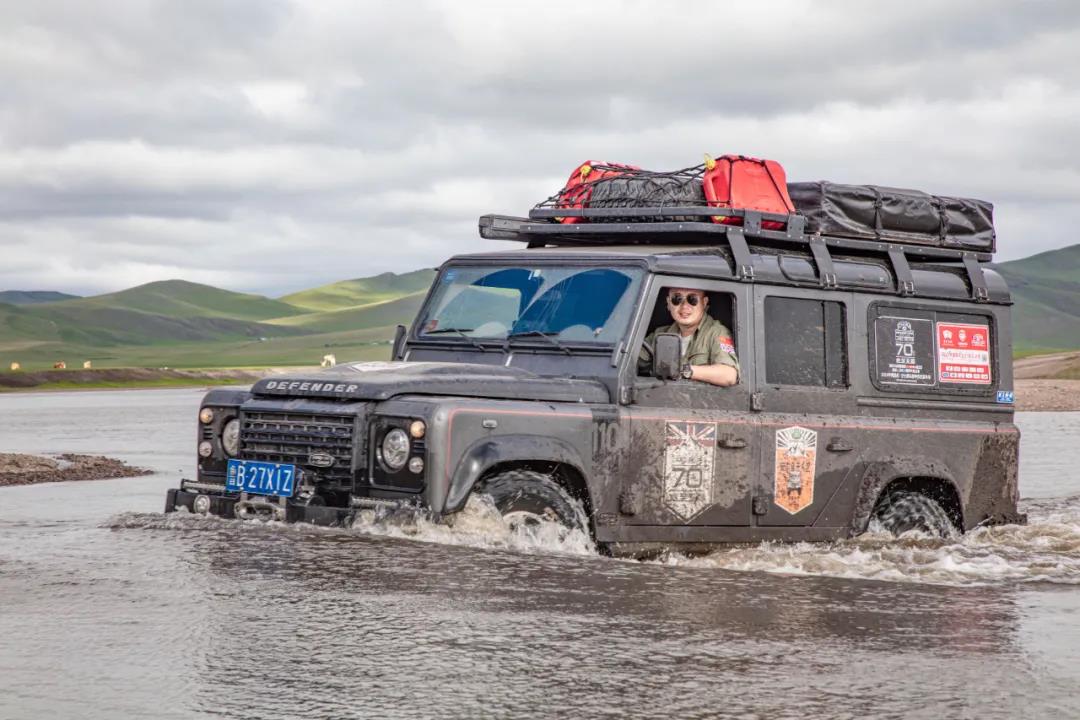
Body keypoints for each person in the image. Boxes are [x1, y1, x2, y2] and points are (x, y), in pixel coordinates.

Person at [642, 287, 739, 386]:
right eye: (677, 299)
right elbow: (632, 360)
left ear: (704, 303)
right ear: (668, 302)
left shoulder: (716, 332)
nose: (684, 306)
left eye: (692, 299)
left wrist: (684, 370)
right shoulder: (660, 334)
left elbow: (729, 375)